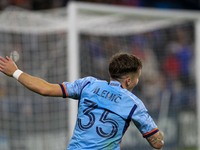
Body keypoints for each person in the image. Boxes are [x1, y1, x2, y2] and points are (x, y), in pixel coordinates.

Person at [0, 53, 164, 150]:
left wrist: (15, 72)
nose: (137, 82)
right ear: (128, 81)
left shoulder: (88, 84)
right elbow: (157, 143)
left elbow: (45, 89)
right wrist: (158, 133)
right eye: (137, 78)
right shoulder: (134, 104)